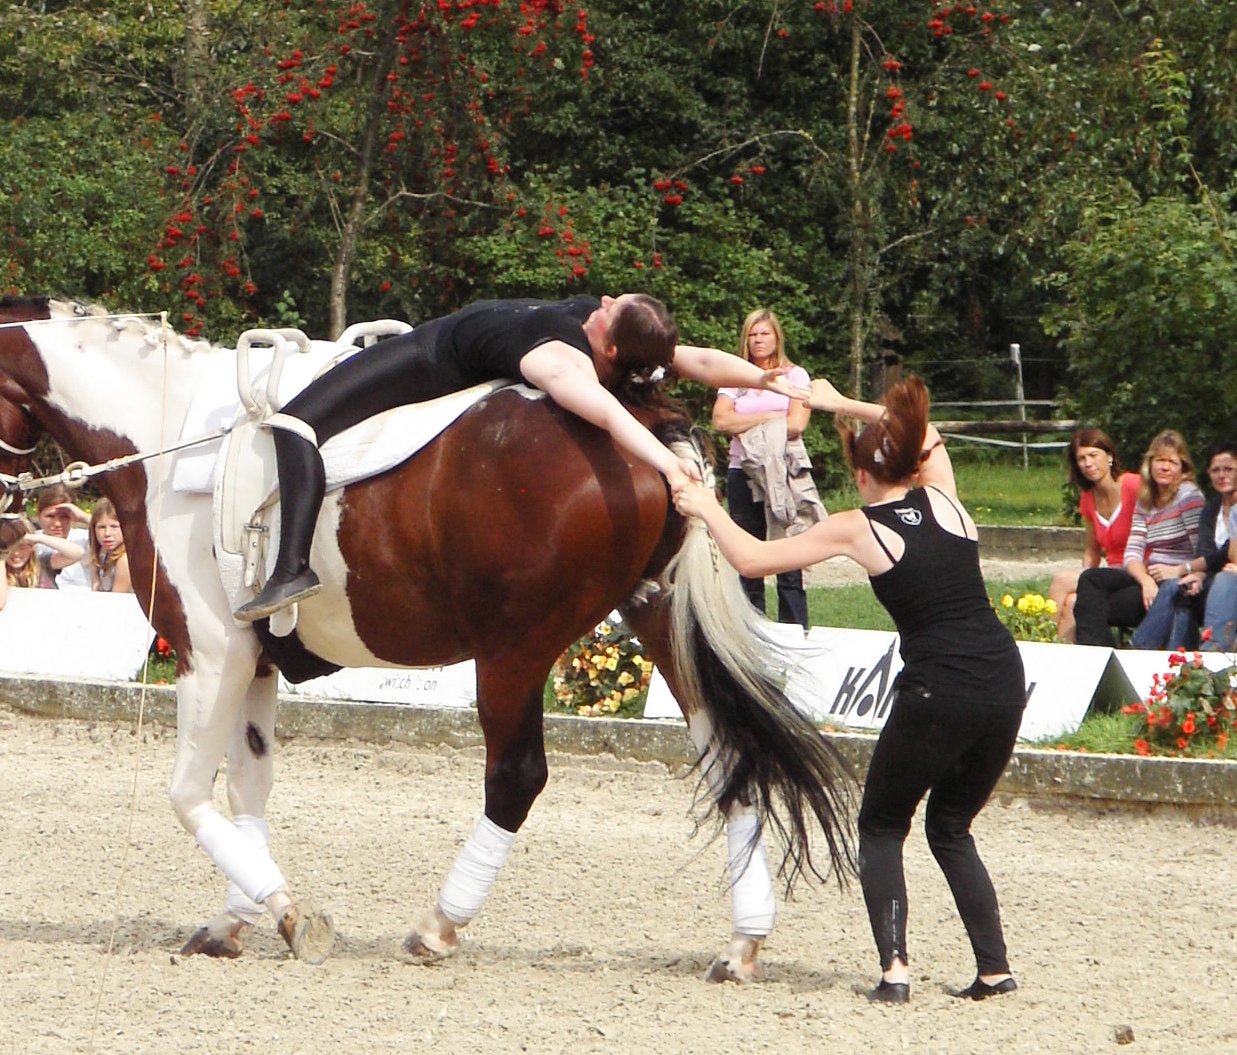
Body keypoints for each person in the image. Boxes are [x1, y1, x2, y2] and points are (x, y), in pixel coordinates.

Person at [674, 375, 1024, 1005]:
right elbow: (927, 431)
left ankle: (895, 974)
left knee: (882, 823)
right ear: (912, 463)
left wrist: (705, 506)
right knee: (951, 826)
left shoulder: (859, 527)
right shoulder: (946, 500)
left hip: (938, 686)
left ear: (861, 475)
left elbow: (751, 559)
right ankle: (994, 970)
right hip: (1004, 677)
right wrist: (840, 405)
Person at [233, 293, 806, 621]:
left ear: (609, 347)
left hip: (431, 355)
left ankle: (291, 568)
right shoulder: (622, 340)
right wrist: (765, 378)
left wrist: (670, 463)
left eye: (610, 310)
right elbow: (697, 360)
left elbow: (610, 415)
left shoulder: (559, 361)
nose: (602, 301)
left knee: (294, 422)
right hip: (458, 336)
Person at [710, 309, 824, 629]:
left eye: (764, 333)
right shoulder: (736, 378)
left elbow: (797, 424)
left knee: (789, 556)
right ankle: (752, 631)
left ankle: (794, 630)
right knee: (748, 558)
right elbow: (720, 420)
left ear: (777, 337)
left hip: (783, 472)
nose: (758, 340)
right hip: (742, 472)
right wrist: (771, 418)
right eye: (753, 334)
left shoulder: (795, 376)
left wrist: (744, 423)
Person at [1072, 430, 1204, 648]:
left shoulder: (1188, 496)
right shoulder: (1146, 498)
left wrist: (1178, 570)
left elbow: (1203, 552)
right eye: (1159, 460)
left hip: (1178, 581)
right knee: (1090, 580)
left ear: (1183, 467)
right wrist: (1145, 580)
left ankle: (1130, 651)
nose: (1164, 467)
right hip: (1149, 577)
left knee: (1093, 607)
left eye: (1172, 462)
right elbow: (1133, 552)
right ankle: (1101, 654)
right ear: (1150, 464)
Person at [1046, 429, 1141, 642]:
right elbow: (1092, 550)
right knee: (1072, 601)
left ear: (1109, 456)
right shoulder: (1088, 497)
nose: (1088, 463)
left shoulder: (1133, 485)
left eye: (1093, 455)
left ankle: (1040, 639)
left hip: (1138, 568)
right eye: (1081, 458)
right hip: (1110, 576)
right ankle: (1064, 654)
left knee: (1062, 580)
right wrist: (1086, 577)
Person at [1179, 443, 1237, 652]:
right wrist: (1198, 574)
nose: (1222, 475)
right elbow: (1216, 553)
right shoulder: (1213, 509)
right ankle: (1170, 657)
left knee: (1224, 580)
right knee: (1178, 588)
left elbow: (1225, 556)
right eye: (1216, 470)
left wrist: (1185, 568)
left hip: (1225, 580)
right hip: (1217, 577)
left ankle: (1212, 653)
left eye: (1228, 469)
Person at [0, 515, 86, 610]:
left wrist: (37, 538)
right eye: (9, 548)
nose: (16, 553)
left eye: (22, 546)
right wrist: (1, 556)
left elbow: (78, 553)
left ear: (31, 546)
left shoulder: (43, 564)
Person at [34, 484, 92, 591]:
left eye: (64, 517)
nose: (57, 523)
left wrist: (83, 517)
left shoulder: (84, 538)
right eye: (50, 516)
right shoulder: (31, 541)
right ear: (38, 515)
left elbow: (121, 535)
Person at [86, 498, 132, 593]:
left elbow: (116, 599)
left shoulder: (124, 561)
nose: (107, 533)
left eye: (114, 526)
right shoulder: (105, 555)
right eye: (101, 527)